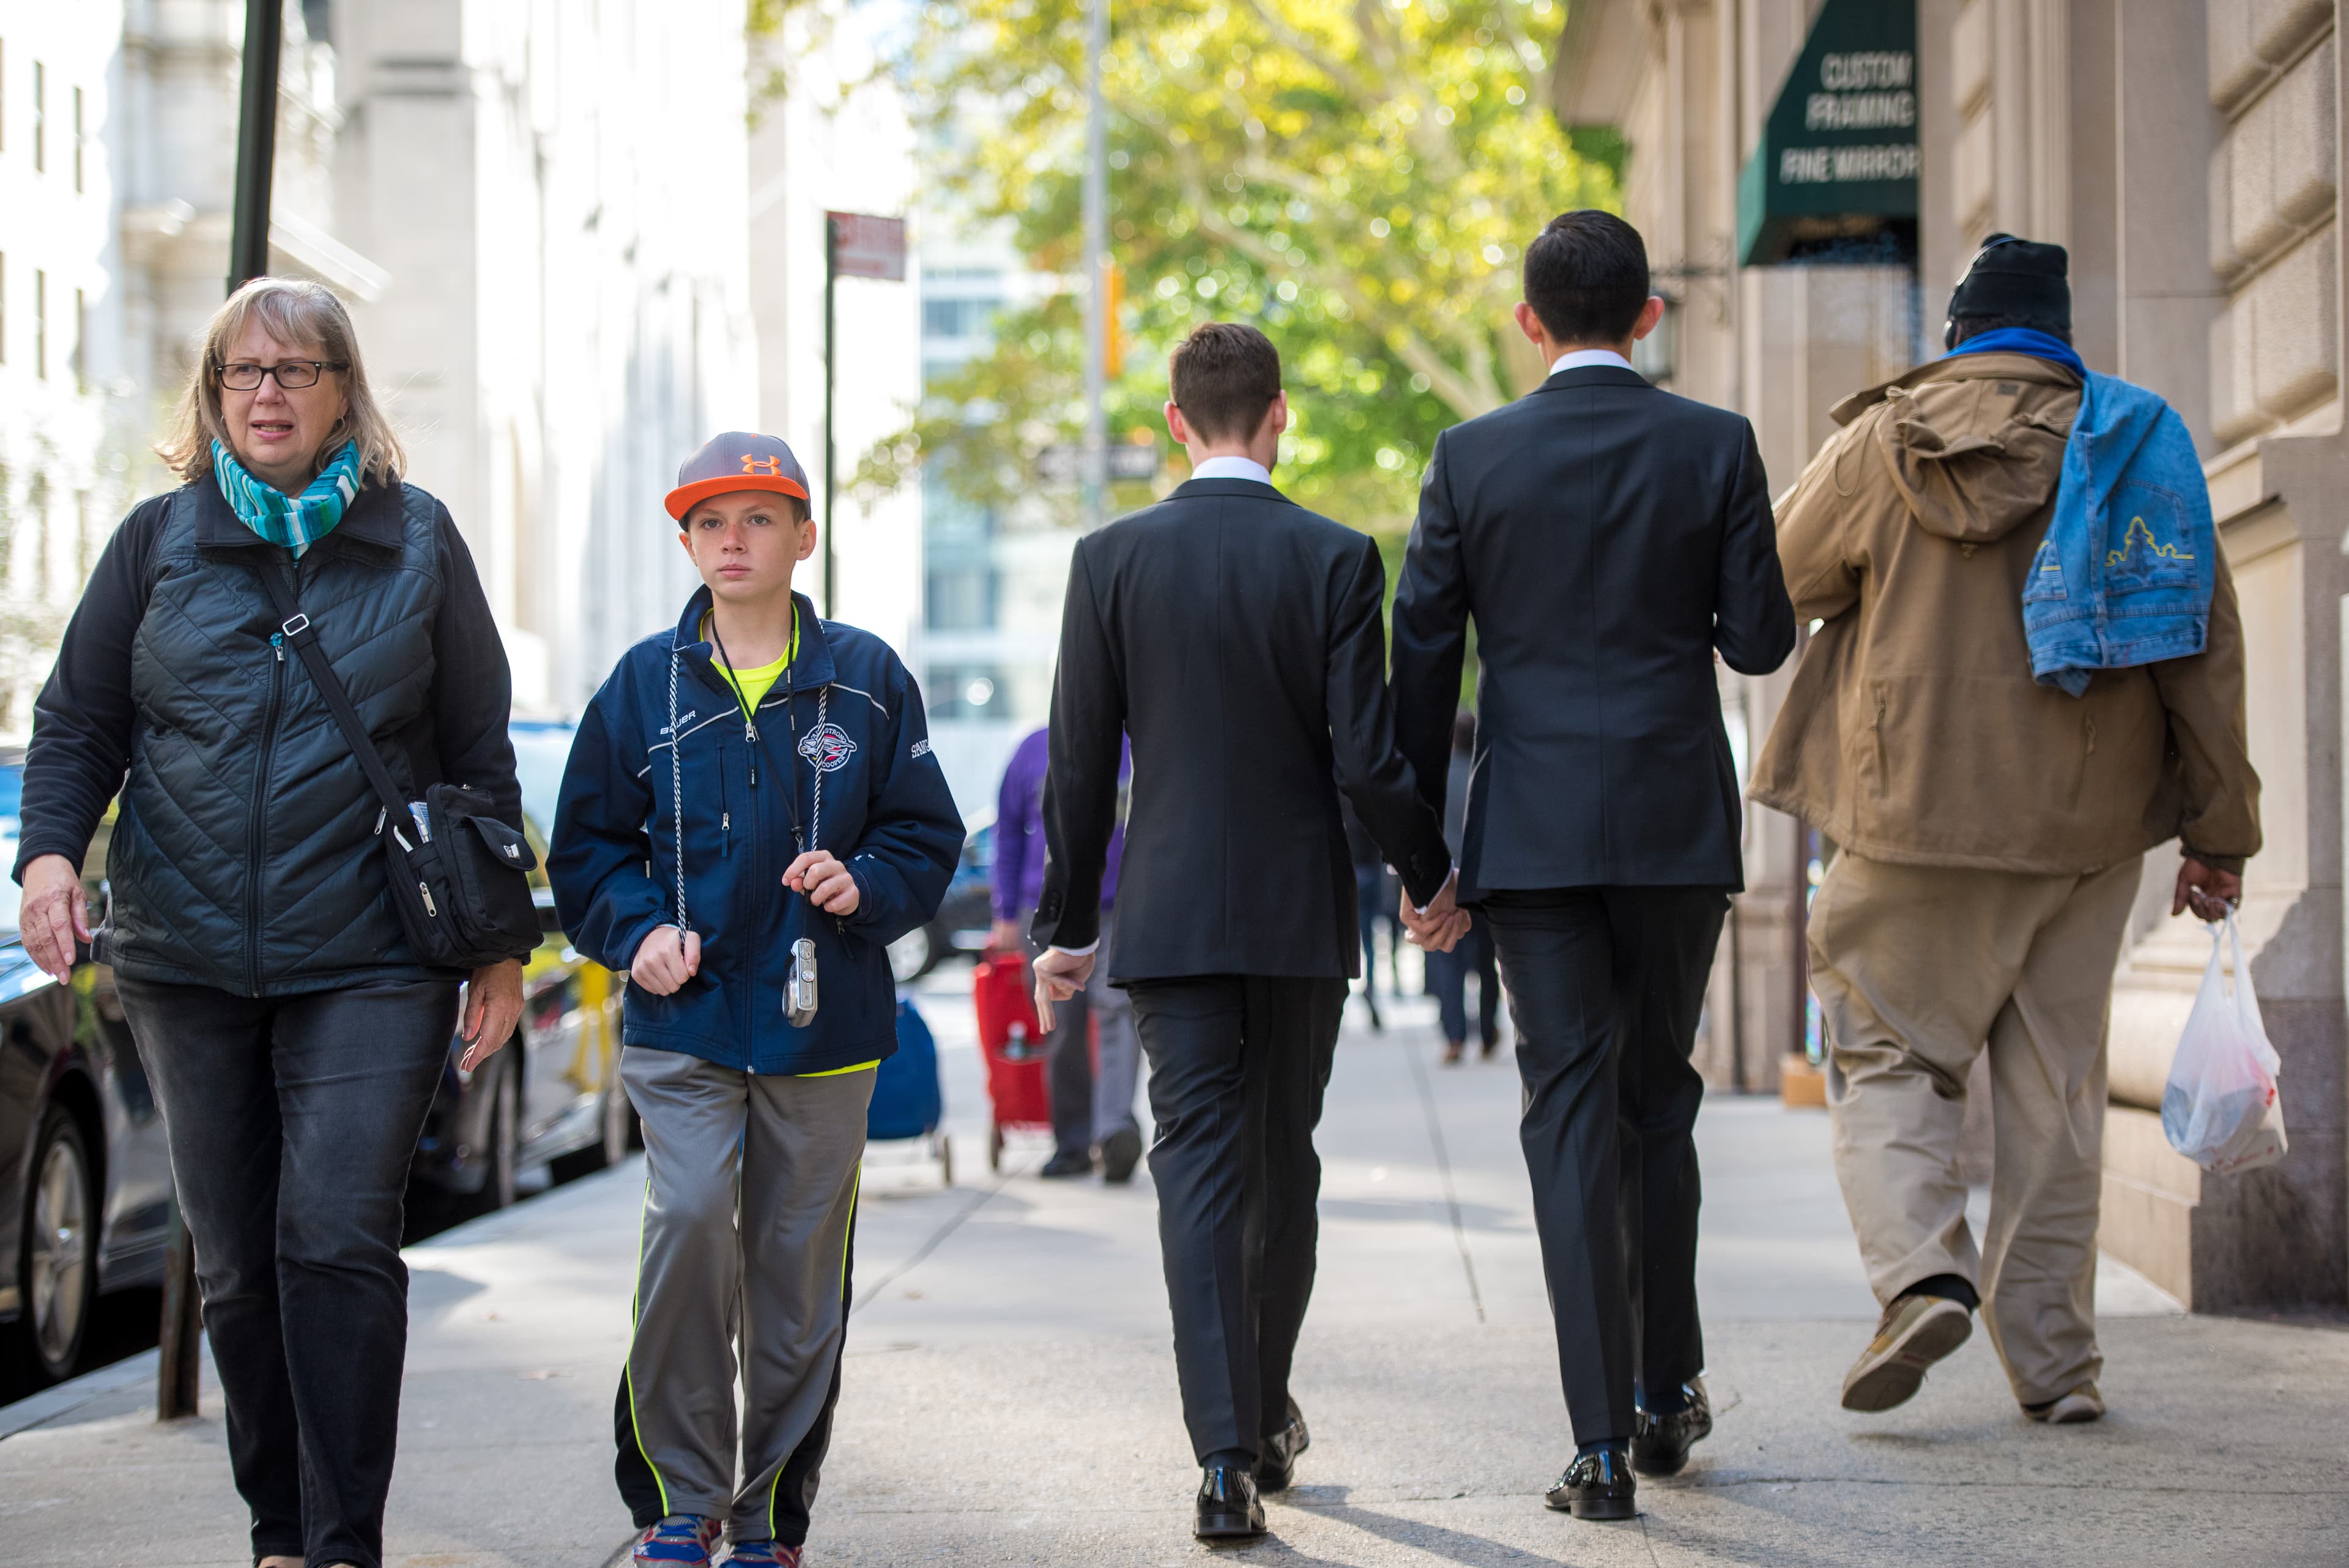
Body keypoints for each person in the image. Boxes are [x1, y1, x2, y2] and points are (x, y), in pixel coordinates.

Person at [9, 277, 529, 1568]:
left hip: (369, 959)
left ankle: (344, 1541)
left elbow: (476, 755)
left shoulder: (419, 542)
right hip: (187, 963)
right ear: (213, 393)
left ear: (345, 391)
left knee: (336, 1239)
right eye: (244, 373)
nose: (267, 394)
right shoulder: (155, 544)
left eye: (296, 371)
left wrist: (502, 947)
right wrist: (50, 859)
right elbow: (79, 722)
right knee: (238, 1264)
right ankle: (279, 1531)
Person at [1750, 235, 2260, 1427]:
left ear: (1959, 335)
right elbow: (2205, 649)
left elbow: (1777, 579)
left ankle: (1924, 1272)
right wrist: (2219, 833)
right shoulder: (2138, 446)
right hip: (2089, 829)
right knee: (2057, 1094)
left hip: (1907, 810)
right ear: (2062, 333)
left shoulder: (1883, 442)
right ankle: (2058, 1368)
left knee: (1882, 1052)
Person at [1391, 210, 1795, 1520]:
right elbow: (1759, 643)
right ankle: (1666, 1384)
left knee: (1567, 1114)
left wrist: (1421, 854)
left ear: (1529, 323)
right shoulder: (1717, 445)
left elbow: (1421, 662)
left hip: (1536, 841)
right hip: (1677, 831)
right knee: (1656, 1100)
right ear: (1647, 316)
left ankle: (1599, 1443)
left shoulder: (1470, 457)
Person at [1031, 322, 1462, 1543]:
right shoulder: (1333, 556)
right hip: (1295, 918)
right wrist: (1429, 876)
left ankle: (1224, 1455)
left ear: (1175, 420)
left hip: (1165, 917)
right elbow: (1370, 760)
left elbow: (1077, 763)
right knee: (1284, 1166)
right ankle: (1264, 1416)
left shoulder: (1109, 558)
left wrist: (1069, 924)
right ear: (1280, 416)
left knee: (1200, 1171)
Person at [547, 432, 963, 1568]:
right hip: (683, 1023)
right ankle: (681, 1495)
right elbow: (584, 850)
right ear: (687, 542)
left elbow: (926, 833)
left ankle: (772, 1510)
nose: (735, 540)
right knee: (686, 1225)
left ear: (804, 536)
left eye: (760, 518)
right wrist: (640, 934)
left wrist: (864, 880)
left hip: (825, 1028)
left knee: (796, 1275)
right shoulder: (642, 683)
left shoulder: (868, 678)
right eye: (712, 522)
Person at [991, 725, 1143, 1180]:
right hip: (1047, 911)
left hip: (1122, 906)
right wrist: (1004, 913)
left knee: (1119, 1013)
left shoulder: (1142, 745)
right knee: (1061, 1025)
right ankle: (1074, 1141)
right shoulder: (1033, 749)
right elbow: (1008, 834)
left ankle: (1114, 1133)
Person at [1424, 711, 1504, 1065]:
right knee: (1486, 964)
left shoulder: (1437, 779)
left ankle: (1454, 1036)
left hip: (1444, 882)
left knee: (1448, 962)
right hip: (1484, 883)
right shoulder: (1487, 776)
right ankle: (1487, 1033)